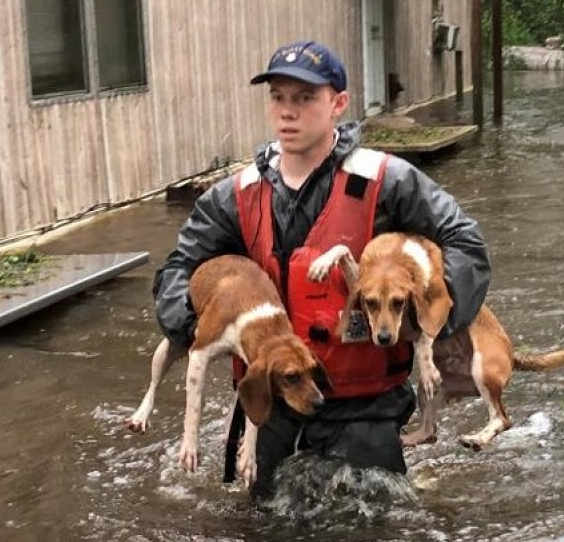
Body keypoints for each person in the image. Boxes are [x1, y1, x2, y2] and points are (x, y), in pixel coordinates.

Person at [152, 40, 490, 499]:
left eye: (305, 98)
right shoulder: (234, 195)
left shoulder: (388, 180)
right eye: (278, 98)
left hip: (365, 405)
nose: (288, 112)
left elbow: (465, 242)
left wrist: (433, 314)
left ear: (338, 104)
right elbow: (179, 268)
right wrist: (193, 324)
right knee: (263, 537)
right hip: (270, 399)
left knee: (374, 540)